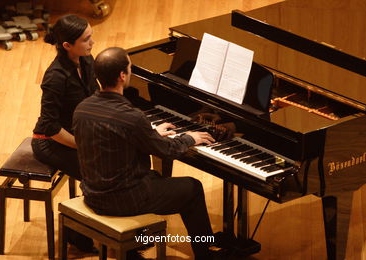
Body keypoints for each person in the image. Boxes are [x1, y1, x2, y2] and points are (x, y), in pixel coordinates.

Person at [73, 47, 224, 260]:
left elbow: (115, 140)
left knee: (156, 179)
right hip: (122, 199)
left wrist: (151, 134)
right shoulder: (131, 117)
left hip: (93, 193)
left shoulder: (82, 108)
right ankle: (206, 252)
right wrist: (190, 138)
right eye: (130, 67)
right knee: (192, 188)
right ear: (123, 76)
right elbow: (167, 150)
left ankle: (135, 246)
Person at [31, 14, 99, 253]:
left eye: (91, 37)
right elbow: (50, 128)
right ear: (68, 45)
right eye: (86, 39)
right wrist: (85, 146)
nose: (92, 43)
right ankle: (76, 231)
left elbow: (96, 98)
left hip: (75, 136)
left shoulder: (87, 62)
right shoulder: (55, 77)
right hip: (51, 143)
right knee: (98, 173)